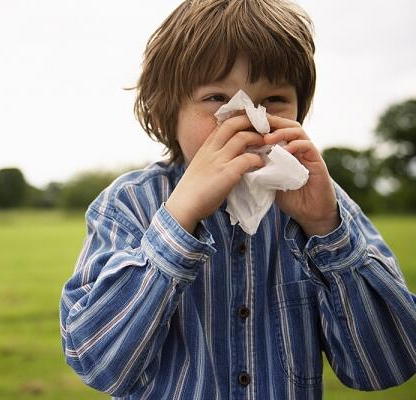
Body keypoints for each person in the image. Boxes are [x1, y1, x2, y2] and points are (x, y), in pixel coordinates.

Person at [60, 0, 416, 398]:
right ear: (168, 111)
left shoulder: (326, 207)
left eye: (275, 100)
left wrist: (326, 230)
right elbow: (96, 362)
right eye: (216, 97)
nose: (247, 116)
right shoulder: (129, 205)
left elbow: (387, 364)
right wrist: (179, 220)